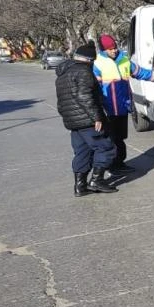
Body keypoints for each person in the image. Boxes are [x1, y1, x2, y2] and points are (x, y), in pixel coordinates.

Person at [93, 34, 154, 174]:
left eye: (114, 48)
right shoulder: (97, 64)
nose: (113, 51)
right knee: (111, 140)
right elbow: (93, 89)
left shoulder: (124, 60)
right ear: (103, 50)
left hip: (122, 107)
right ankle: (111, 166)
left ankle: (119, 163)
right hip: (108, 110)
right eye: (110, 49)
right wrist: (97, 110)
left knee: (120, 138)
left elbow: (139, 72)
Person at [55, 42, 118, 196]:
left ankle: (80, 186)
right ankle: (96, 180)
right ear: (89, 60)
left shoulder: (64, 73)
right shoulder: (83, 72)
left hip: (73, 122)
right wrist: (97, 117)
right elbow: (84, 96)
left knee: (82, 152)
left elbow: (61, 102)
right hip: (88, 120)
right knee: (106, 148)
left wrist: (69, 118)